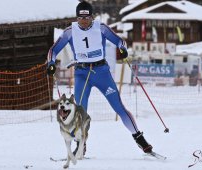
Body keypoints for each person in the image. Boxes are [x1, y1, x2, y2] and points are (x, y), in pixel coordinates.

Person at [47, 1, 153, 155]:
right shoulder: (69, 32)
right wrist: (50, 63)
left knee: (119, 108)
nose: (83, 21)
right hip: (82, 74)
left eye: (86, 17)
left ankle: (139, 138)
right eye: (80, 18)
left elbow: (119, 40)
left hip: (101, 72)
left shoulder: (101, 28)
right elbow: (53, 50)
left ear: (92, 17)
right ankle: (81, 144)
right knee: (80, 112)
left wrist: (122, 49)